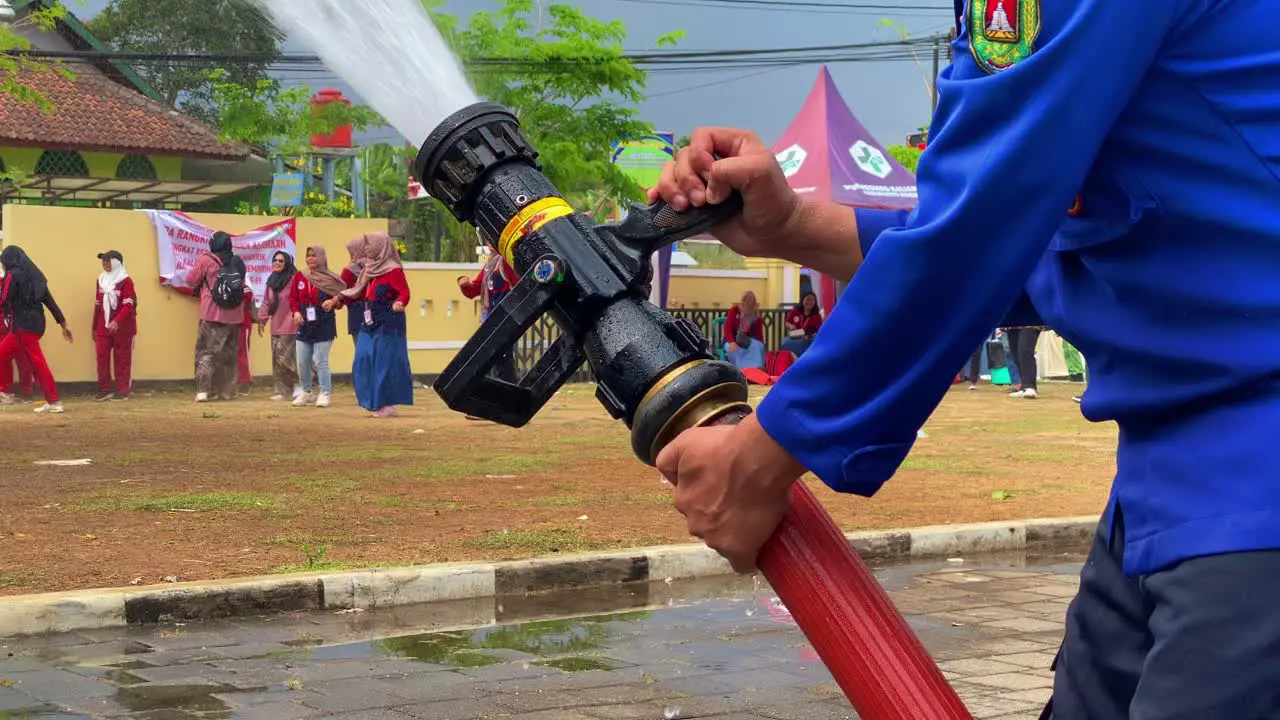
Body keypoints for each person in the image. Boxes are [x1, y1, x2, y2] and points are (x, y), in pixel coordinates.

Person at [649, 0, 1280, 714]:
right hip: (1168, 488)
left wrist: (761, 458)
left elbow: (979, 225)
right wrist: (793, 225)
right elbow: (1034, 236)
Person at [327, 233, 412, 418]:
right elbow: (357, 291)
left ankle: (385, 404)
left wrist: (400, 302)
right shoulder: (368, 269)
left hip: (388, 322)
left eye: (369, 245)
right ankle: (370, 401)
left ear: (380, 246)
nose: (366, 249)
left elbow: (404, 292)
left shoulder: (393, 270)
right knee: (362, 359)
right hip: (368, 321)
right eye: (364, 246)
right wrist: (337, 299)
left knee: (383, 364)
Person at [0, 246, 73, 412]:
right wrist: (63, 323)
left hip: (22, 326)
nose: (3, 266)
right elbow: (50, 302)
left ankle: (54, 401)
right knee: (9, 355)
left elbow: (3, 300)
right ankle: (6, 392)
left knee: (36, 362)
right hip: (37, 324)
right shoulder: (36, 275)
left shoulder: (12, 276)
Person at [187, 231, 245, 402]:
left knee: (206, 352)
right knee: (229, 355)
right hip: (235, 316)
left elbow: (191, 280)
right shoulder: (238, 262)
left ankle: (204, 391)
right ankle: (227, 392)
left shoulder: (207, 260)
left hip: (212, 314)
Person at [457, 243, 519, 384]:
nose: (488, 243)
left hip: (504, 316)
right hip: (491, 317)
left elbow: (517, 284)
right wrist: (464, 284)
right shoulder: (489, 264)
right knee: (498, 358)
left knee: (502, 357)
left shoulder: (505, 261)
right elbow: (474, 290)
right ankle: (507, 389)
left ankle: (510, 389)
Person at [291, 245, 344, 408]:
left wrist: (334, 301)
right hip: (304, 323)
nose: (310, 259)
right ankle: (307, 393)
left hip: (324, 323)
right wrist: (295, 312)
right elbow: (293, 298)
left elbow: (342, 297)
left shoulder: (331, 278)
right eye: (308, 256)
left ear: (322, 258)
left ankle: (325, 392)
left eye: (314, 256)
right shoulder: (300, 276)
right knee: (302, 361)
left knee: (321, 361)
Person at [92, 250, 136, 401]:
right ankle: (104, 388)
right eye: (103, 262)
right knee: (101, 357)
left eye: (108, 261)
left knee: (122, 358)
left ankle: (122, 390)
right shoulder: (101, 280)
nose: (105, 265)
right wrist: (94, 327)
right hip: (102, 326)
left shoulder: (126, 281)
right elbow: (97, 304)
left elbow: (128, 305)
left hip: (123, 327)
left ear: (117, 263)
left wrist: (116, 321)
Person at [258, 250, 301, 402]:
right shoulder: (271, 281)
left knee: (286, 357)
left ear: (287, 263)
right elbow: (266, 301)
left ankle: (298, 385)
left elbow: (299, 299)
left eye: (280, 261)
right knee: (277, 358)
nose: (276, 263)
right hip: (276, 323)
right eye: (275, 260)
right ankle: (283, 391)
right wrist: (262, 319)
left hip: (291, 323)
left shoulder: (294, 279)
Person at [722, 290, 765, 369]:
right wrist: (731, 342)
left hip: (747, 340)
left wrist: (760, 344)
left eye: (752, 302)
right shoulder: (734, 310)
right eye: (747, 301)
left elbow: (759, 335)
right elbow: (727, 328)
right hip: (732, 339)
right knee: (734, 348)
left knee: (757, 346)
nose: (749, 305)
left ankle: (756, 369)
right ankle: (740, 370)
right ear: (743, 301)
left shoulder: (756, 314)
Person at [339, 236, 367, 352]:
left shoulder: (349, 270)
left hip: (357, 312)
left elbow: (344, 294)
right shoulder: (376, 267)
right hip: (374, 310)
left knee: (362, 352)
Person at [1004, 325, 1043, 399]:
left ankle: (1030, 387)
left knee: (1025, 351)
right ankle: (1024, 387)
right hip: (1012, 323)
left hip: (1030, 322)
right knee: (1016, 353)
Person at [780, 291, 822, 359]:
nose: (809, 302)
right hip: (794, 336)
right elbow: (787, 322)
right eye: (807, 299)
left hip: (808, 339)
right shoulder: (795, 311)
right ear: (802, 300)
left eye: (811, 300)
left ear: (815, 302)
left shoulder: (817, 316)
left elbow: (817, 331)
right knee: (785, 343)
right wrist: (790, 326)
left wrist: (807, 335)